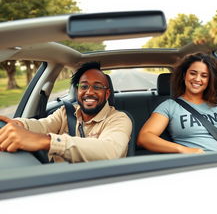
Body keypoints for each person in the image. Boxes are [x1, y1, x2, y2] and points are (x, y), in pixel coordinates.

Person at [0, 62, 132, 163]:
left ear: (107, 93)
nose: (90, 92)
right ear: (77, 91)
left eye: (97, 87)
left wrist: (48, 142)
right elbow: (43, 125)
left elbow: (110, 151)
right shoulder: (65, 112)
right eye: (84, 86)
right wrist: (18, 124)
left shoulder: (119, 119)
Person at [137, 52, 217, 154]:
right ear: (184, 75)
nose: (197, 79)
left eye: (204, 75)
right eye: (193, 73)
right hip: (195, 166)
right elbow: (144, 137)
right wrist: (182, 149)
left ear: (210, 79)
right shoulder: (169, 106)